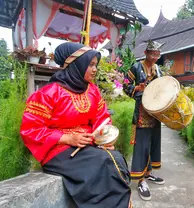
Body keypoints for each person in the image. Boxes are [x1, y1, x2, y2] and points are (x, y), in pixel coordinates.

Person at [20, 42, 131, 208]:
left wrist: (103, 139)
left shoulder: (92, 90)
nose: (95, 69)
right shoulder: (49, 93)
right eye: (91, 64)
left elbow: (102, 119)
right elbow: (31, 129)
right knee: (104, 162)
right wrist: (68, 138)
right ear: (77, 64)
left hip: (87, 144)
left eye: (96, 65)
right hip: (59, 149)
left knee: (116, 158)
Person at [123, 40, 165, 201]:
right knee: (141, 145)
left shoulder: (158, 69)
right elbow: (125, 85)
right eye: (152, 54)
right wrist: (137, 89)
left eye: (157, 55)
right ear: (146, 53)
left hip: (155, 112)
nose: (155, 57)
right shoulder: (136, 67)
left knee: (153, 142)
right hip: (141, 112)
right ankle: (140, 180)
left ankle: (148, 174)